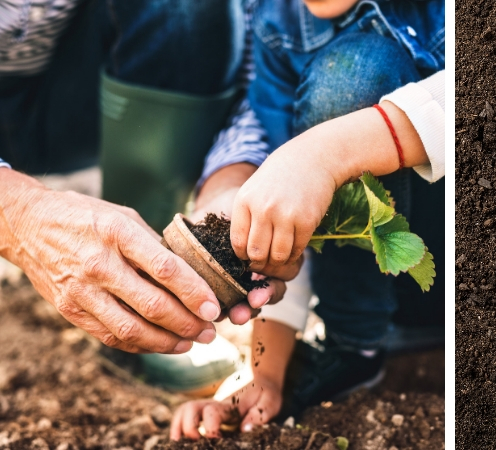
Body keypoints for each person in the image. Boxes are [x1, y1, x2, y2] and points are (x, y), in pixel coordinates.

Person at [170, 0, 444, 438]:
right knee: (348, 75)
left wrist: (326, 153)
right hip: (391, 298)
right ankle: (353, 347)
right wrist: (265, 373)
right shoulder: (276, 24)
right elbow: (289, 210)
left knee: (356, 68)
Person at [0, 1, 284, 356]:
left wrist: (231, 177)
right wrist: (19, 212)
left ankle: (143, 296)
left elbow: (257, 60)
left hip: (78, 90)